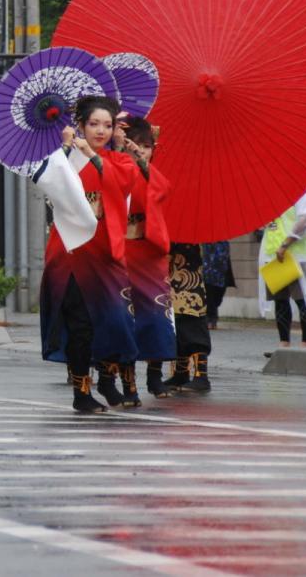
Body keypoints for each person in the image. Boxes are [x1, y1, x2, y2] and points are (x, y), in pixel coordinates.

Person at [40, 95, 140, 413]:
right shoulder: (64, 158)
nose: (101, 131)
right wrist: (68, 149)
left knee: (114, 321)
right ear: (80, 125)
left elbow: (124, 183)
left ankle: (109, 381)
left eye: (107, 125)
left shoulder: (120, 161)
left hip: (105, 253)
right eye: (94, 124)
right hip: (71, 252)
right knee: (80, 325)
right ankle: (82, 392)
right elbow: (45, 178)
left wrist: (92, 157)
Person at [115, 116, 175, 406]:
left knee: (156, 317)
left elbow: (162, 191)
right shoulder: (111, 169)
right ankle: (128, 382)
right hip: (120, 253)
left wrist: (141, 163)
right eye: (135, 145)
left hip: (148, 253)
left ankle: (155, 373)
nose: (141, 150)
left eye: (147, 146)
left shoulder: (151, 173)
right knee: (125, 320)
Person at [258, 189, 306, 348]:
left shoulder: (305, 194)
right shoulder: (277, 195)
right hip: (274, 255)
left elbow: (304, 221)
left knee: (303, 299)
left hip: (295, 255)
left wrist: (285, 244)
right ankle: (284, 343)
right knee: (280, 300)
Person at [166, 242, 212, 392]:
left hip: (190, 290)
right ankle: (181, 373)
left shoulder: (190, 235)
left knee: (194, 332)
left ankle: (201, 375)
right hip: (172, 287)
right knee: (179, 332)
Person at [200, 241, 235, 330]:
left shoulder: (224, 242)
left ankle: (212, 316)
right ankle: (211, 319)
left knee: (219, 295)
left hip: (221, 270)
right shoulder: (205, 241)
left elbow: (226, 256)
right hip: (208, 269)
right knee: (209, 293)